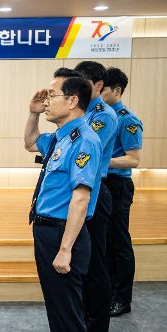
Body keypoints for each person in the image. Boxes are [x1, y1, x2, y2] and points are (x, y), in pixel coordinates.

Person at [24, 74, 102, 331]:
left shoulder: (84, 140)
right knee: (59, 307)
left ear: (72, 101)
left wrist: (66, 248)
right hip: (48, 230)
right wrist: (33, 114)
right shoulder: (61, 137)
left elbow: (81, 198)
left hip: (63, 232)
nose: (46, 101)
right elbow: (30, 143)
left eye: (52, 96)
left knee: (67, 312)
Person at [75, 61, 118, 332]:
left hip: (95, 192)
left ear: (98, 85)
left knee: (95, 262)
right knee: (82, 259)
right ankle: (83, 315)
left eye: (81, 82)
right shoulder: (81, 113)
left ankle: (98, 324)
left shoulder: (103, 116)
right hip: (79, 190)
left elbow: (84, 149)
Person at [101, 67, 143, 317]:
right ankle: (107, 292)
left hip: (118, 186)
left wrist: (101, 159)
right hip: (103, 185)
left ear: (117, 90)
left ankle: (123, 299)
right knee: (104, 242)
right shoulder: (100, 115)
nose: (99, 92)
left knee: (119, 243)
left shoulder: (126, 119)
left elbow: (133, 160)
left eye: (104, 88)